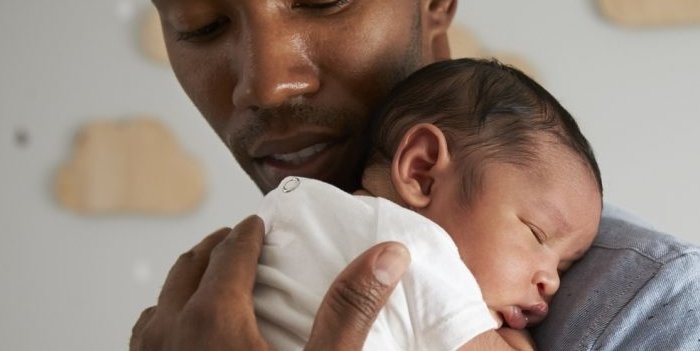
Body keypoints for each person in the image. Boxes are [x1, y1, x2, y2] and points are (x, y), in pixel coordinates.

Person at [131, 0, 700, 350]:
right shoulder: (201, 312)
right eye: (201, 26)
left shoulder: (654, 310)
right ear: (420, 169)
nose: (265, 84)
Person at [254, 58, 603, 350]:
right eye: (537, 233)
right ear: (422, 172)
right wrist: (516, 340)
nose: (552, 282)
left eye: (564, 268)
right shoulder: (416, 249)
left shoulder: (296, 214)